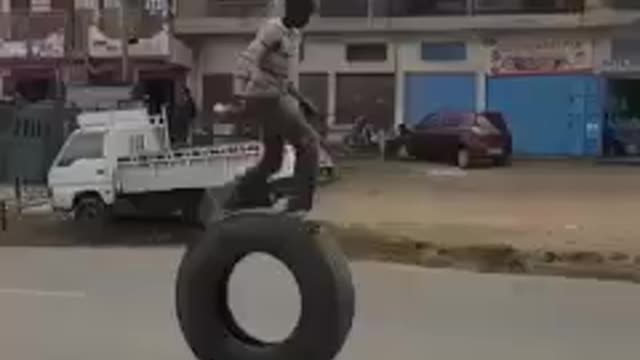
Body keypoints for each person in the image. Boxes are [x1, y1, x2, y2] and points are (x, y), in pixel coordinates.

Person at [225, 0, 320, 215]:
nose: (306, 20)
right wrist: (239, 94)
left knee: (273, 159)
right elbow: (246, 60)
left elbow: (285, 79)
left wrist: (303, 100)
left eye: (309, 16)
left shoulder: (294, 35)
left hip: (276, 94)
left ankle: (242, 195)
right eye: (304, 14)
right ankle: (299, 202)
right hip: (265, 96)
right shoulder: (272, 30)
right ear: (292, 10)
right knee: (309, 142)